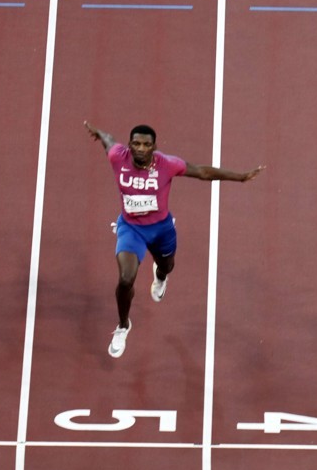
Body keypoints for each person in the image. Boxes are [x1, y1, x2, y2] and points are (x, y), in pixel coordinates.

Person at [85, 121, 265, 358]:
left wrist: (239, 178)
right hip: (131, 230)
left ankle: (160, 277)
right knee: (126, 279)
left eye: (146, 145)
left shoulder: (166, 164)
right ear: (129, 145)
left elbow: (202, 172)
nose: (140, 148)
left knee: (167, 266)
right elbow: (108, 139)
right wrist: (99, 133)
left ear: (154, 146)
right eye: (136, 143)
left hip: (161, 230)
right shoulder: (118, 157)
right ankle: (123, 326)